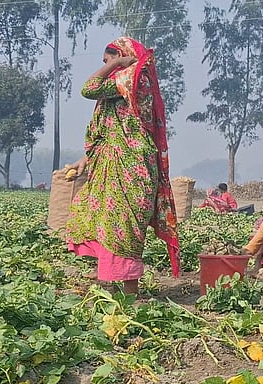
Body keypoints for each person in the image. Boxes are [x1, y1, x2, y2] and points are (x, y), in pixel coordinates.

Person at [63, 37, 180, 299]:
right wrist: (86, 159)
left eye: (109, 60)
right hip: (115, 158)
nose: (107, 66)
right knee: (99, 215)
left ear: (124, 56)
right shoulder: (122, 84)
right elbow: (111, 130)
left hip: (132, 163)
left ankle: (130, 293)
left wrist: (116, 64)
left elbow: (88, 88)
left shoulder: (134, 79)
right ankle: (108, 275)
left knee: (124, 227)